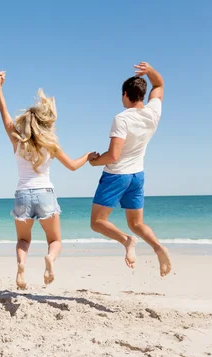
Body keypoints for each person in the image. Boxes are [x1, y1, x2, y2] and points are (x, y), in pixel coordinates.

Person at [0, 71, 98, 287]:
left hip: (22, 194)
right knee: (55, 240)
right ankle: (49, 259)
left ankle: (21, 267)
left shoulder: (18, 141)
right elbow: (72, 166)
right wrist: (87, 156)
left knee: (23, 240)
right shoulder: (51, 145)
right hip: (45, 194)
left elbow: (4, 114)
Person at [89, 62, 171, 277]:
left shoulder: (122, 118)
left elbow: (114, 155)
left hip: (116, 175)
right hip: (137, 175)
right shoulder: (153, 112)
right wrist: (151, 71)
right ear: (142, 95)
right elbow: (159, 84)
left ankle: (127, 240)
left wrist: (95, 161)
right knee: (136, 223)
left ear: (125, 94)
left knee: (97, 222)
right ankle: (158, 248)